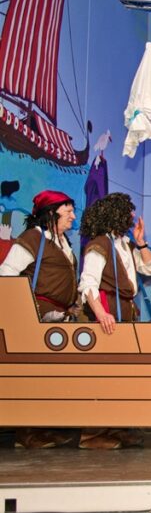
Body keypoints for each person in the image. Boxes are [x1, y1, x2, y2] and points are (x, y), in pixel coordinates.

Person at [78, 192, 151, 449]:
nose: (132, 215)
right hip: (107, 313)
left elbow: (150, 268)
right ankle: (92, 434)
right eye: (128, 210)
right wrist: (101, 313)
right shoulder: (100, 244)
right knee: (102, 376)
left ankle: (117, 426)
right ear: (115, 213)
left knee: (122, 375)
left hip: (125, 311)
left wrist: (141, 242)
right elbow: (88, 283)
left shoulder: (125, 244)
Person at [0, 190, 79, 448]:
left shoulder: (63, 242)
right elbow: (7, 273)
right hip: (36, 317)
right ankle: (27, 433)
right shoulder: (34, 238)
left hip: (59, 318)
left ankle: (43, 426)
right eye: (68, 211)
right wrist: (26, 310)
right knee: (32, 373)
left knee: (51, 375)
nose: (73, 216)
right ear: (51, 213)